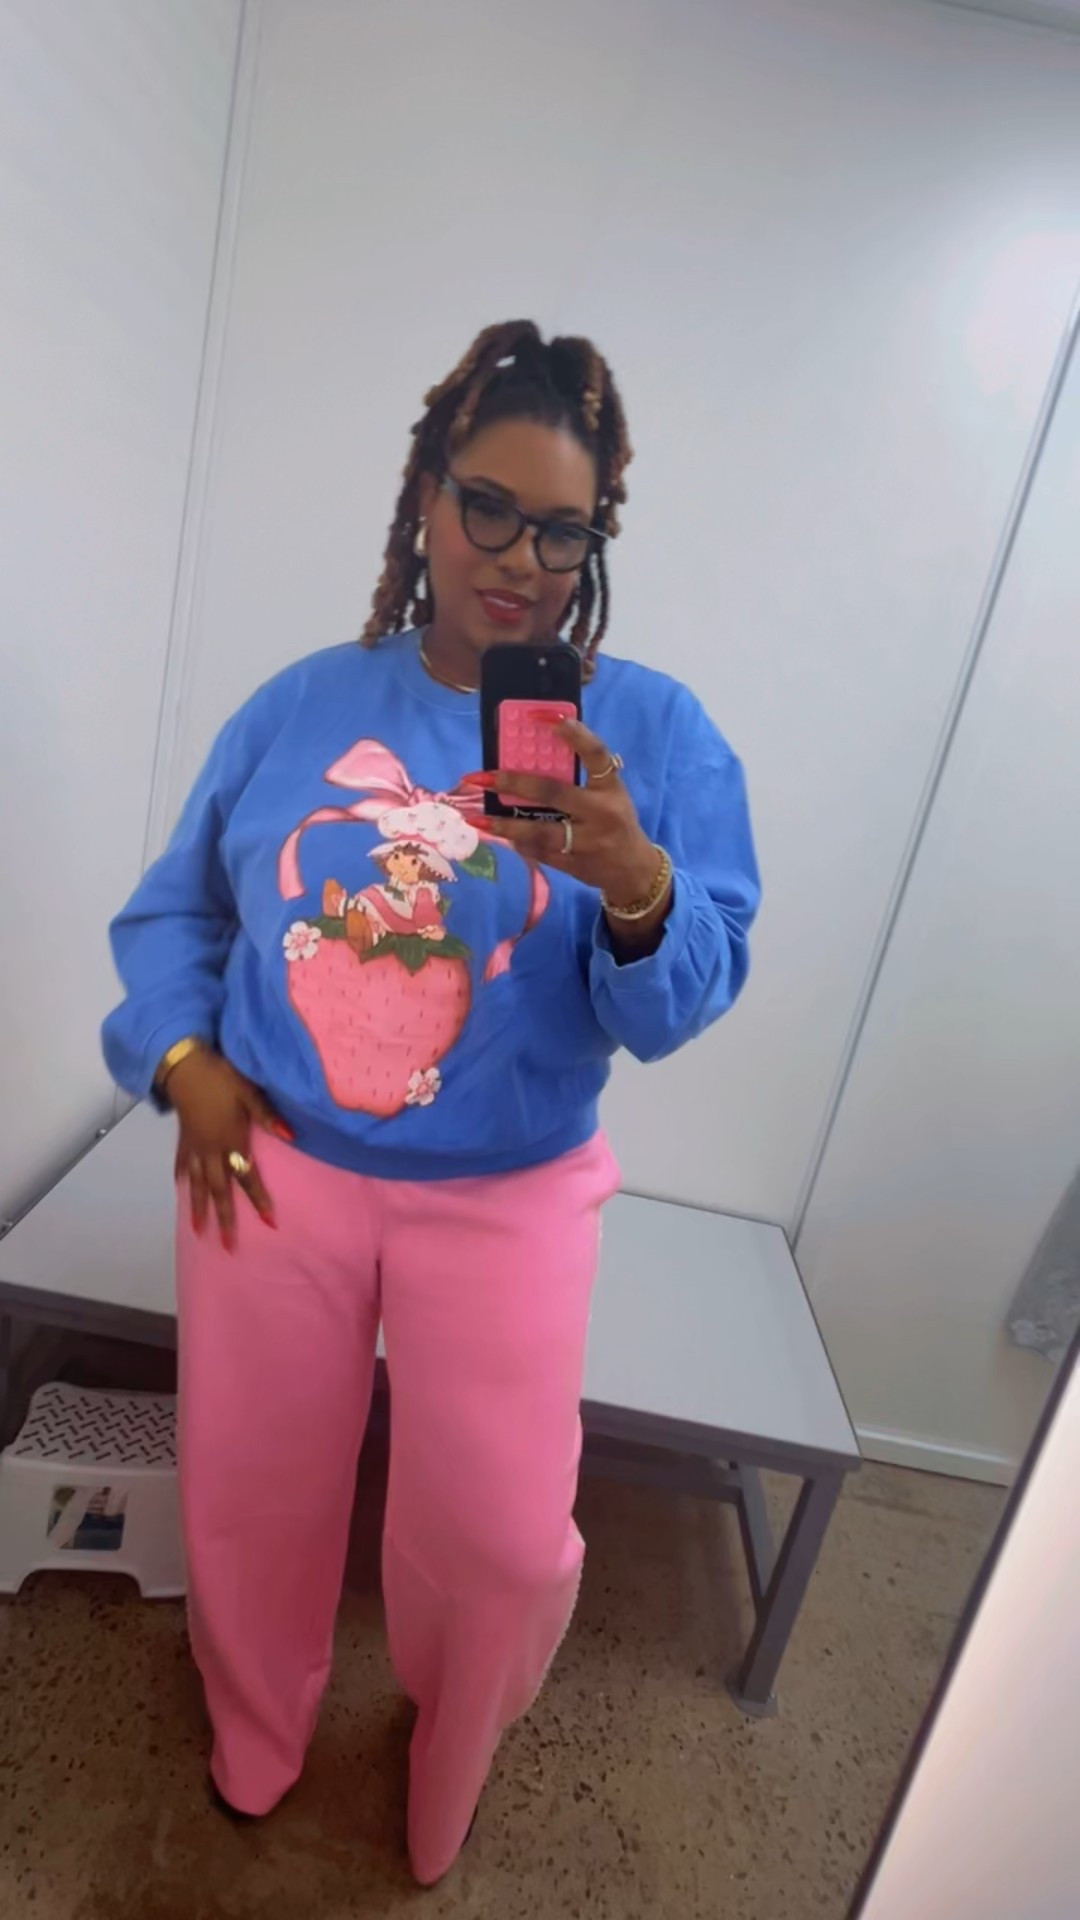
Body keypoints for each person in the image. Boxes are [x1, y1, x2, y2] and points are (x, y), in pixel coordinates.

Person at [102, 319, 760, 1884]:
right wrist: (184, 1064)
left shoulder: (652, 737)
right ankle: (255, 1736)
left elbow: (677, 1001)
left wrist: (632, 876)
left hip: (511, 1191)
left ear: (596, 543)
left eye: (562, 529)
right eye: (489, 507)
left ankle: (450, 1755)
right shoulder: (299, 706)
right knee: (253, 1489)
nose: (520, 558)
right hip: (277, 1170)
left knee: (503, 1540)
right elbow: (180, 909)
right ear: (426, 496)